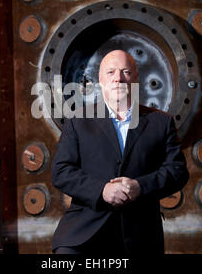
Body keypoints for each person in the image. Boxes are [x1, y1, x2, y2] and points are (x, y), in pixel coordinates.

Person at [50, 50, 188, 254]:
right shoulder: (78, 121)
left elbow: (177, 171)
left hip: (140, 234)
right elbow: (61, 171)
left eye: (126, 72)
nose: (118, 78)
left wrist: (140, 187)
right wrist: (102, 190)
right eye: (111, 72)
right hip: (84, 232)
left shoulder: (161, 122)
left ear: (135, 78)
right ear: (100, 79)